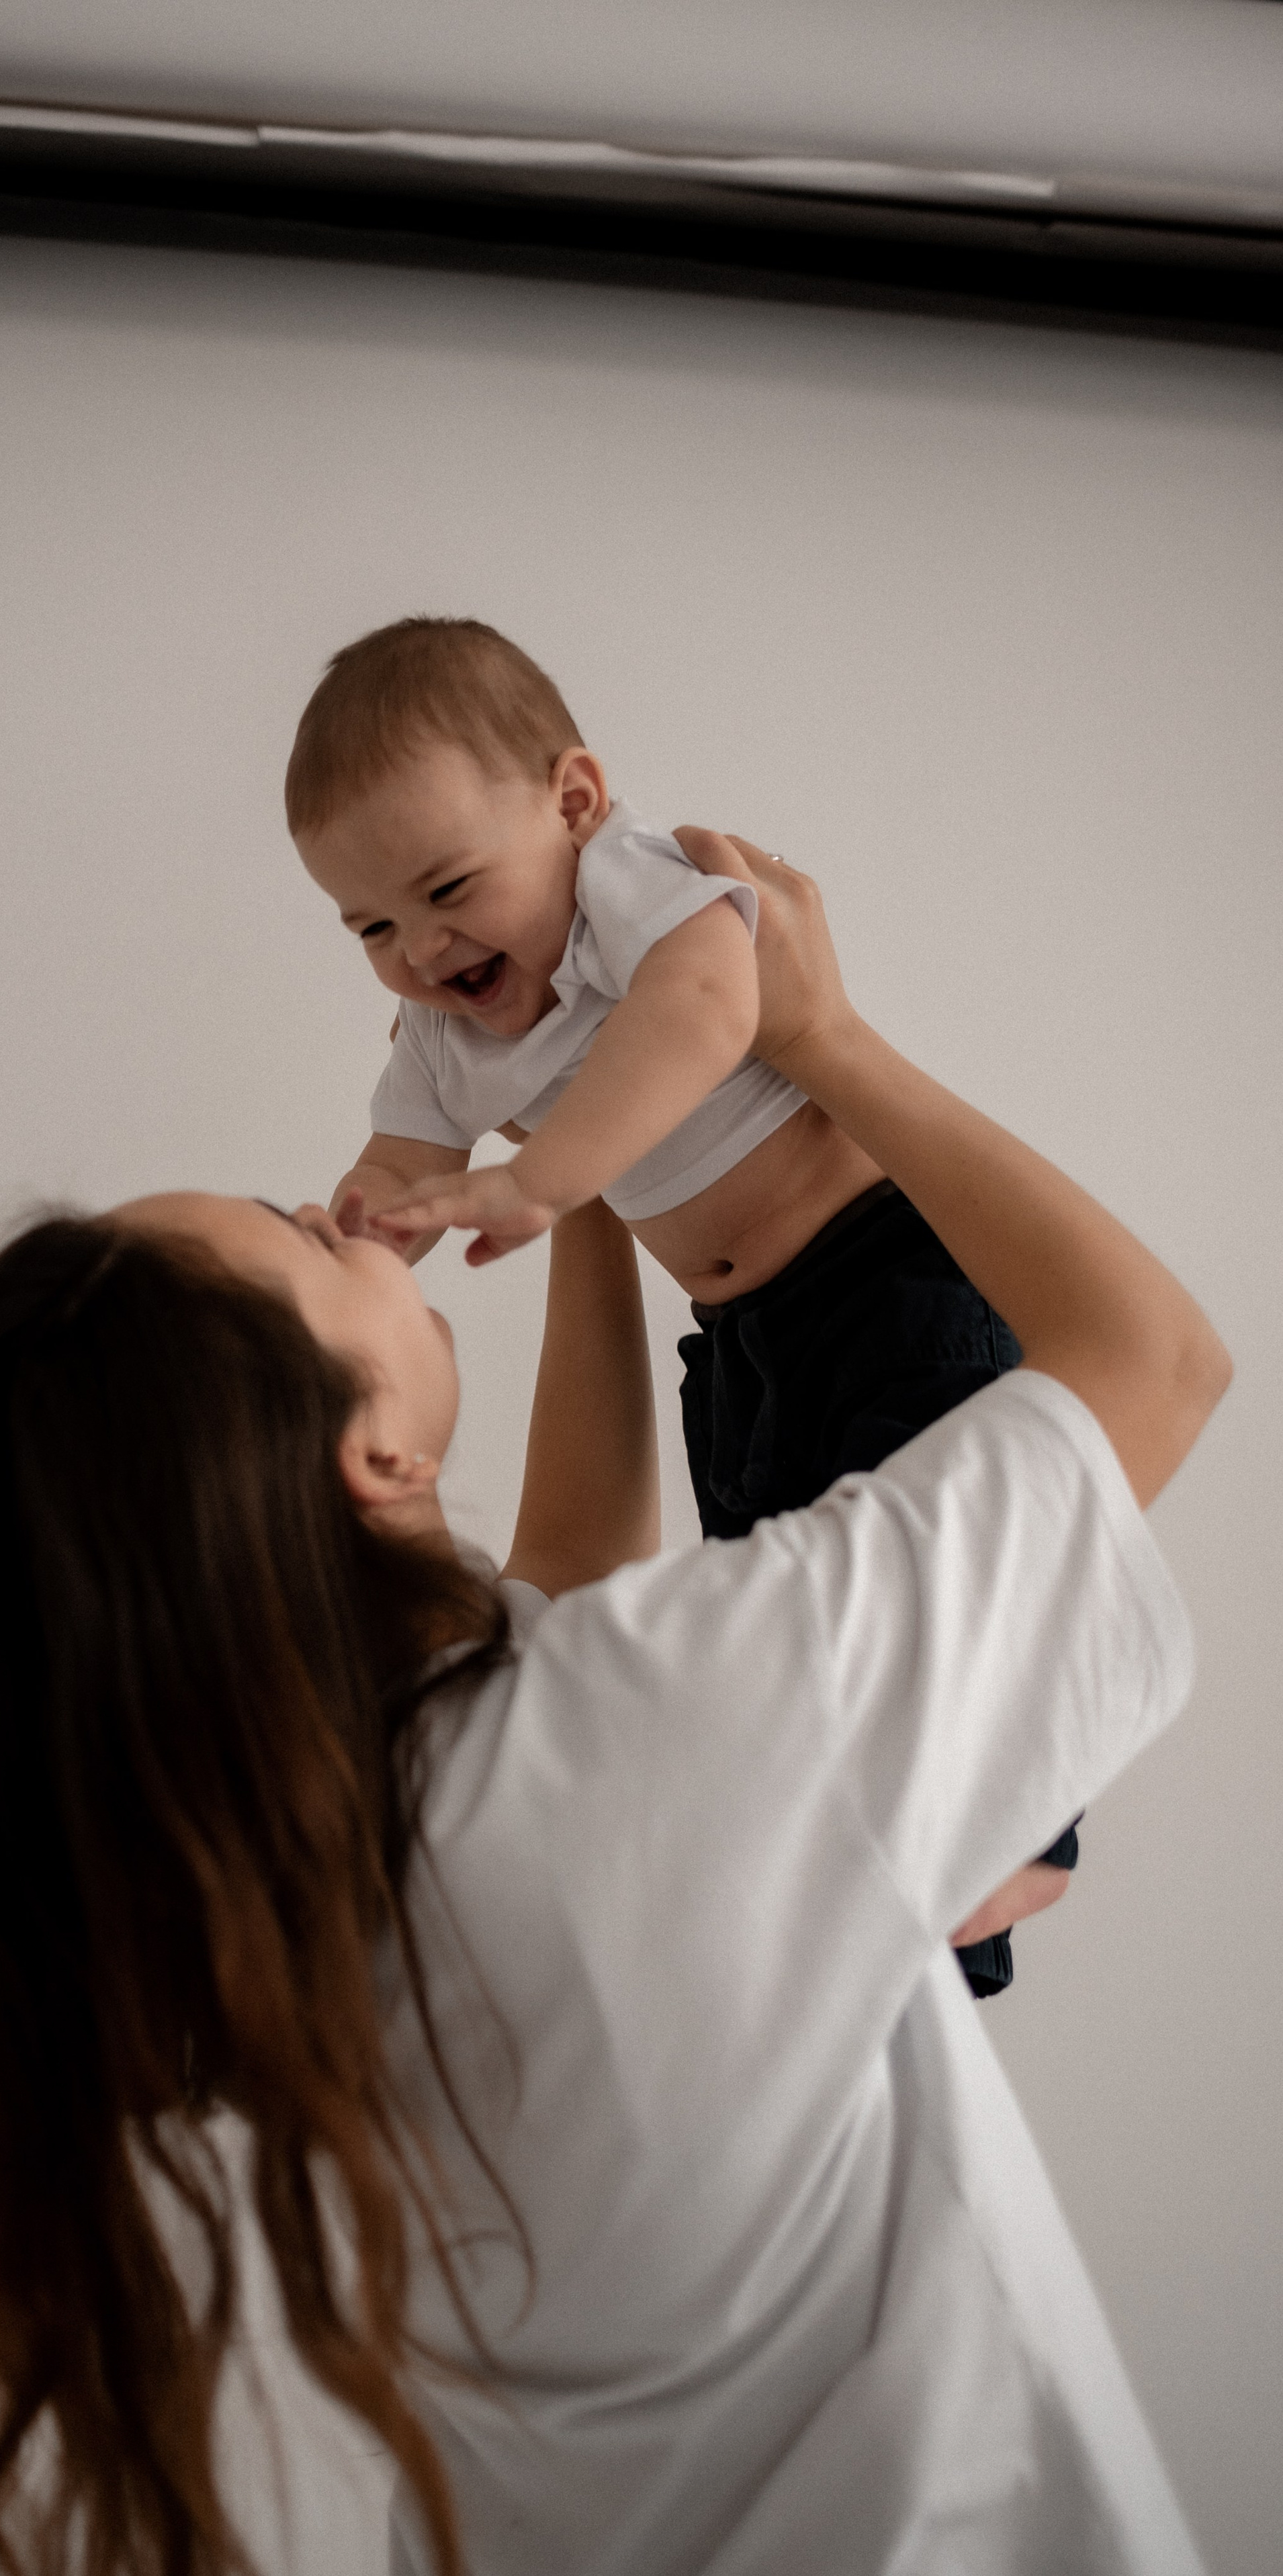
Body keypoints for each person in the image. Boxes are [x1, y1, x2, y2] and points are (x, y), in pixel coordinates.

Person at [0, 834, 1227, 2576]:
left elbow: (568, 1569)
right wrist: (830, 1043)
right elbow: (1152, 1361)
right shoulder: (646, 1726)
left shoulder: (318, 1869)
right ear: (370, 1455)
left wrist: (578, 1171)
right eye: (298, 1232)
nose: (337, 1206)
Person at [287, 615, 1075, 1994]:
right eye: (368, 925)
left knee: (936, 1562)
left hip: (883, 1274)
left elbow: (714, 1004)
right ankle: (927, 1925)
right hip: (739, 1342)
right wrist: (350, 1232)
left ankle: (1027, 1825)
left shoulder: (627, 890)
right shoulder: (439, 1031)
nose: (418, 947)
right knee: (782, 1603)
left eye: (445, 886)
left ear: (573, 805)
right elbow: (405, 1161)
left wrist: (544, 1177)